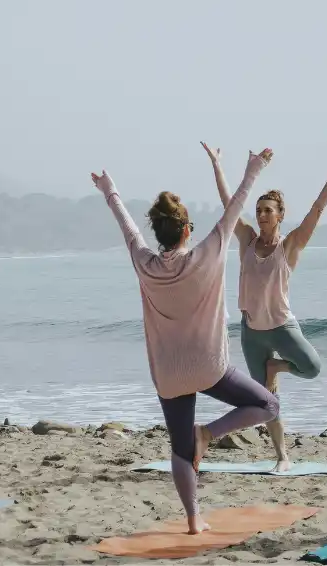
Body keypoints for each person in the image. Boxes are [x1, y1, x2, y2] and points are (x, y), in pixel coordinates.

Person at [91, 148, 280, 535]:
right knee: (268, 405)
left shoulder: (143, 262)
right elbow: (236, 208)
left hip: (169, 375)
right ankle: (208, 434)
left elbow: (128, 228)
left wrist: (110, 191)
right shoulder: (207, 254)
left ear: (159, 233)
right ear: (187, 229)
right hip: (209, 368)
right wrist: (254, 170)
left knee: (179, 449)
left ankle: (194, 521)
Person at [202, 141, 327, 472]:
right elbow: (230, 203)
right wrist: (217, 164)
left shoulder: (291, 245)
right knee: (267, 403)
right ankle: (282, 456)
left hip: (282, 327)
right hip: (252, 332)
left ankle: (277, 368)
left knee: (312, 367)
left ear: (280, 215)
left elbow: (318, 208)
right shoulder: (245, 239)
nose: (261, 215)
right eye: (258, 210)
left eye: (267, 210)